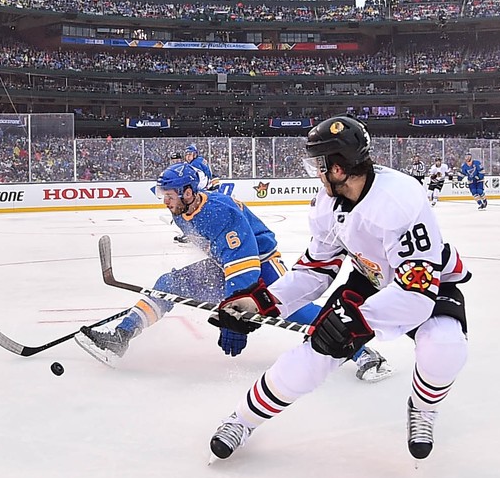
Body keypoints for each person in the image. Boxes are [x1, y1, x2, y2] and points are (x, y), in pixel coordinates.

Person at [206, 116, 470, 462]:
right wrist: (262, 302)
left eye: (320, 163)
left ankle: (422, 410)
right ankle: (242, 420)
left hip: (426, 282)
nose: (316, 171)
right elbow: (317, 269)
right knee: (316, 354)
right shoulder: (327, 204)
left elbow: (416, 296)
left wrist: (356, 320)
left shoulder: (400, 199)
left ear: (339, 167)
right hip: (371, 280)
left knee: (446, 346)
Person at [76, 161, 393, 382]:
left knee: (294, 310)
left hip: (262, 265)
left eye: (169, 195)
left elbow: (242, 267)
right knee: (168, 284)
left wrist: (234, 321)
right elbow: (221, 258)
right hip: (224, 266)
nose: (165, 201)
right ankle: (121, 336)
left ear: (188, 192)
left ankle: (362, 351)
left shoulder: (218, 212)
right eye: (163, 195)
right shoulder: (182, 211)